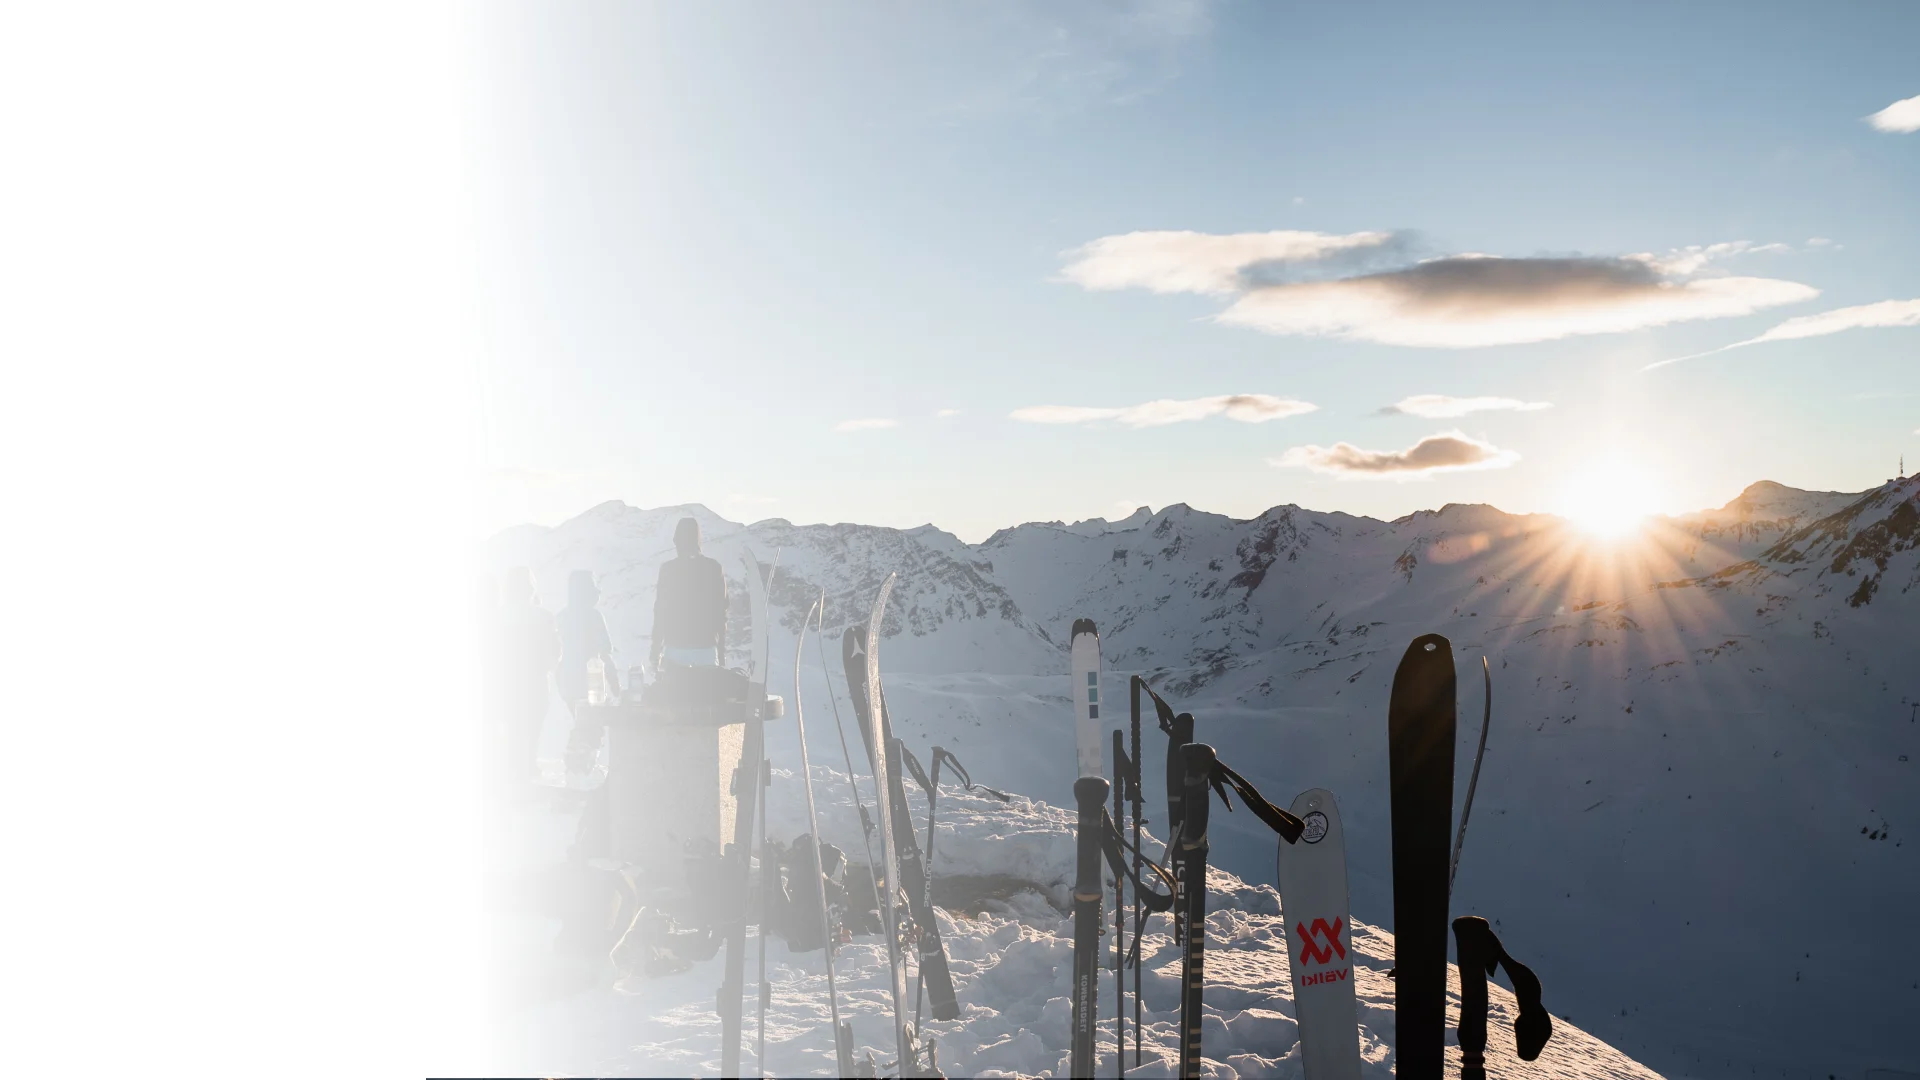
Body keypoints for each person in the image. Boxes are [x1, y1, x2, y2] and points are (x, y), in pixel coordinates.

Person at [492, 566, 559, 788]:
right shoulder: (544, 616)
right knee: (531, 729)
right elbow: (555, 653)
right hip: (536, 683)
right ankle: (528, 767)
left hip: (506, 684)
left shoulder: (496, 617)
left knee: (512, 728)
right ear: (531, 588)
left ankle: (513, 769)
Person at [557, 569, 619, 775]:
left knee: (582, 721)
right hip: (592, 682)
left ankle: (576, 763)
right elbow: (605, 653)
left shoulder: (561, 617)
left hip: (566, 683)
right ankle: (580, 766)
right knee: (593, 725)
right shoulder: (594, 616)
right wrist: (615, 684)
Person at [650, 516, 727, 670]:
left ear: (676, 541)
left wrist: (655, 650)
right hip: (706, 649)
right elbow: (721, 612)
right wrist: (721, 652)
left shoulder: (668, 570)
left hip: (675, 648)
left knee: (675, 694)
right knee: (706, 693)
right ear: (698, 540)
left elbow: (660, 612)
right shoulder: (714, 568)